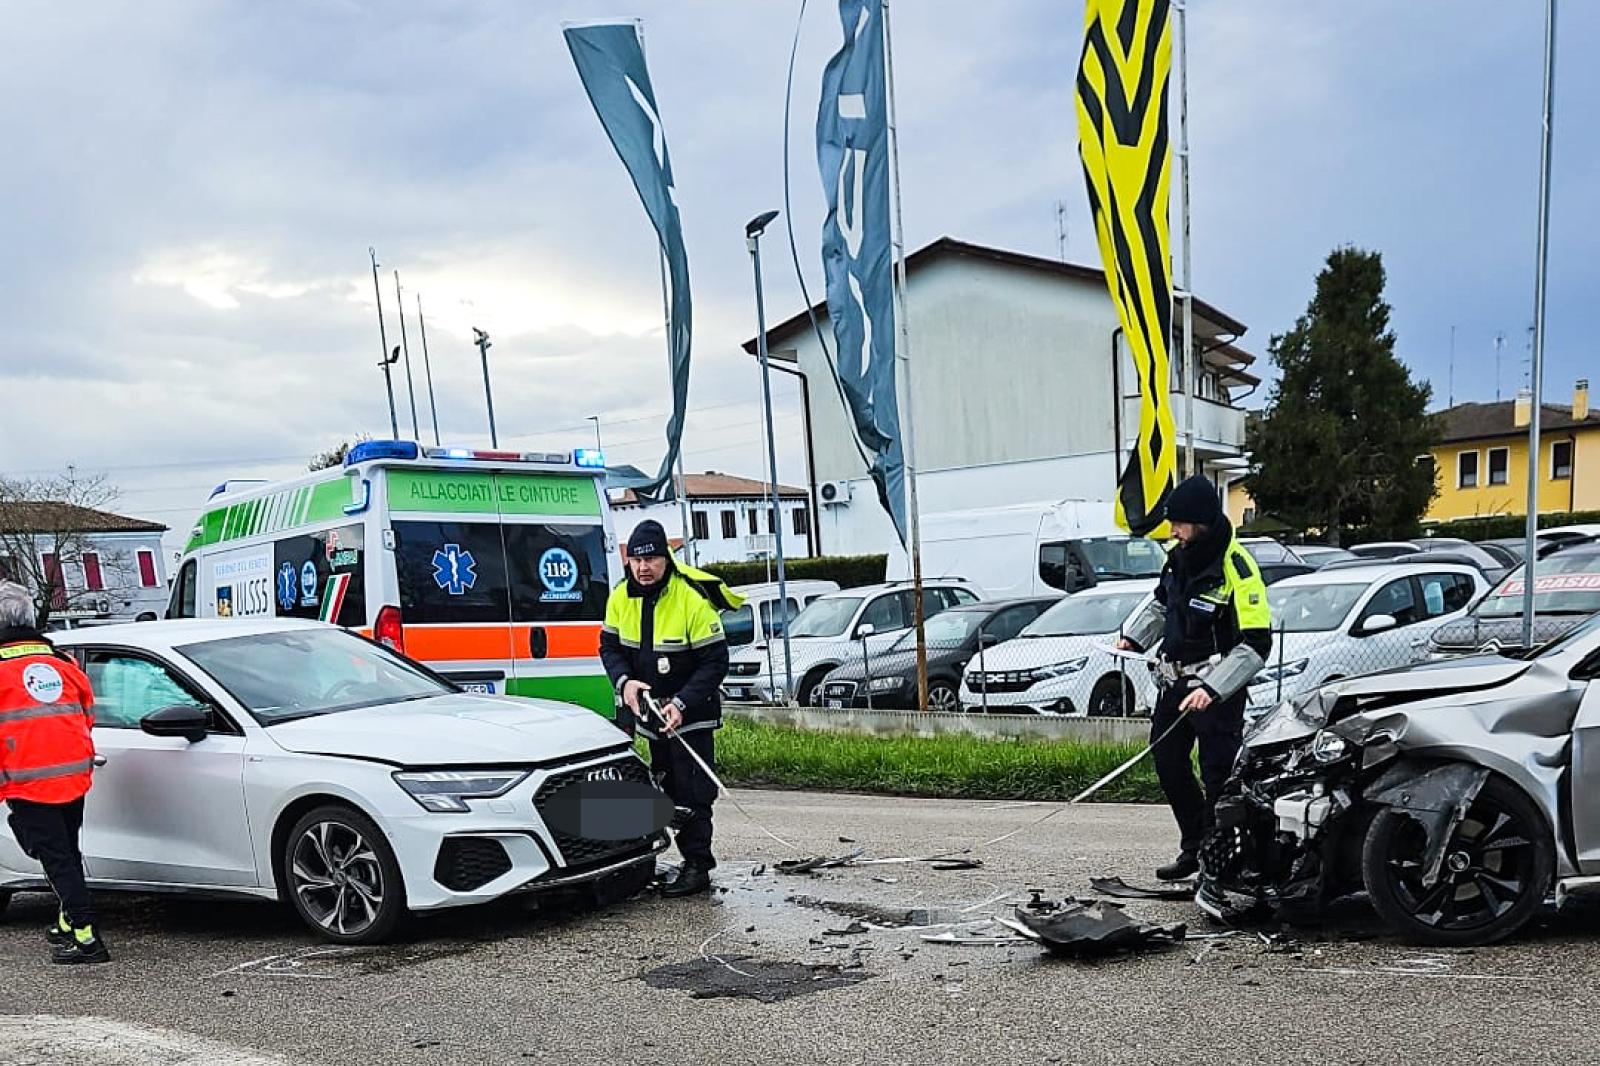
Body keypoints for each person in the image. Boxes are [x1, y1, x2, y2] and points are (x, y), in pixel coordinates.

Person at [1119, 477, 1272, 881]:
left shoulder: (1236, 565)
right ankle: (1195, 845)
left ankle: (1222, 863)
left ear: (1203, 521)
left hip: (1216, 690)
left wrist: (1213, 689)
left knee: (1218, 774)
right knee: (1168, 762)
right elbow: (1160, 604)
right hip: (1174, 683)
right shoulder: (1178, 556)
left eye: (1180, 524)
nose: (1173, 532)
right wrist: (1133, 639)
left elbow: (1256, 644)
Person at [598, 521, 740, 898]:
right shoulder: (619, 597)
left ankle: (698, 866)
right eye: (637, 560)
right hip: (649, 716)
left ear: (666, 559)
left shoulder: (690, 599)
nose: (644, 567)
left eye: (653, 559)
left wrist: (681, 703)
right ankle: (666, 858)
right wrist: (624, 683)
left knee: (694, 792)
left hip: (689, 715)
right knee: (662, 789)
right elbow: (609, 649)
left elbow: (715, 662)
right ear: (628, 562)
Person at [0, 581, 107, 963]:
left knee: (54, 856)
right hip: (74, 775)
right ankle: (67, 921)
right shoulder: (63, 664)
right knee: (65, 851)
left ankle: (86, 936)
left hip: (28, 780)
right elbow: (87, 715)